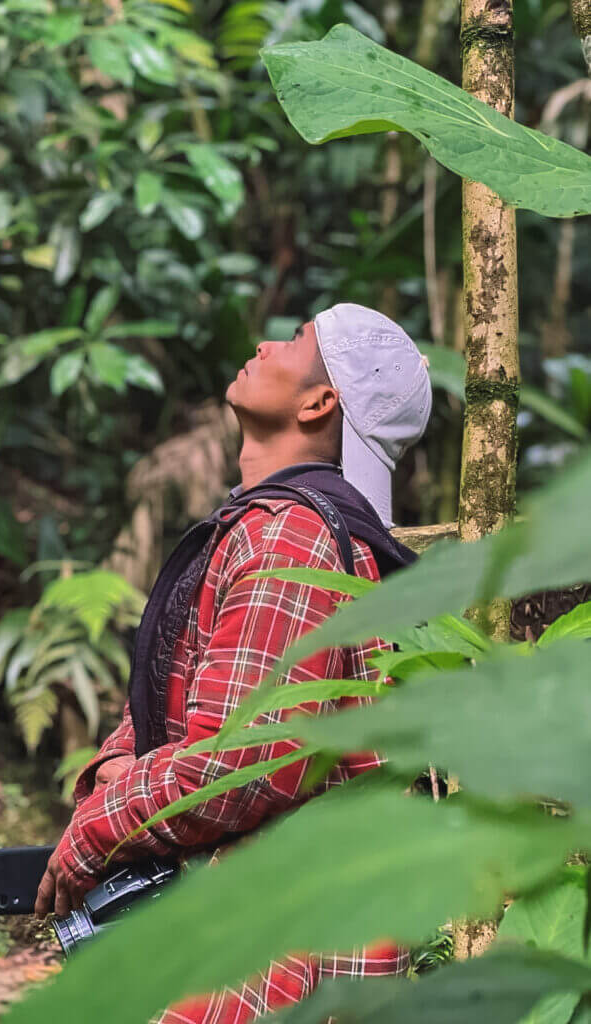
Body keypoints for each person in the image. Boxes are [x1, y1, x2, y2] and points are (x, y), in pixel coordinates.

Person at [35, 303, 432, 1021]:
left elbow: (248, 760)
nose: (262, 342)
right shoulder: (271, 523)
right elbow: (189, 687)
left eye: (293, 338)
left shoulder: (294, 535)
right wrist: (120, 765)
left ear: (319, 401)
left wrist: (97, 831)